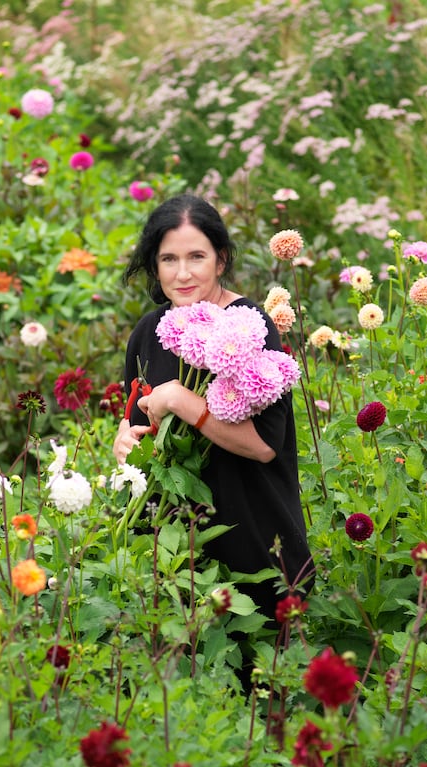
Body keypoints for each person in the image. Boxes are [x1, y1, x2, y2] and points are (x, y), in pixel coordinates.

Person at [113, 194, 314, 622]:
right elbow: (137, 425)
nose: (182, 273)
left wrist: (184, 402)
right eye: (168, 259)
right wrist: (125, 444)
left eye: (196, 257)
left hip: (254, 550)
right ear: (154, 265)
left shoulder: (247, 325)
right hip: (172, 555)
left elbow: (263, 446)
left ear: (220, 260)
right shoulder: (148, 332)